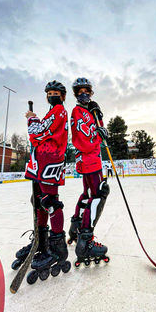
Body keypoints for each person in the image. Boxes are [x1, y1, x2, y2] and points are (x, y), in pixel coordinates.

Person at [12, 80, 71, 283]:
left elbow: (37, 133)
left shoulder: (59, 112)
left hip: (50, 160)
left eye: (56, 93)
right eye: (50, 93)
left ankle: (57, 248)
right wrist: (36, 121)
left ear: (63, 96)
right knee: (38, 201)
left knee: (50, 202)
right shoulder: (51, 113)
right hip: (40, 161)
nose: (52, 95)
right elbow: (37, 136)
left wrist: (31, 119)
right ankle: (41, 241)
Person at [68, 77, 110, 267]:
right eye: (80, 92)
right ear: (76, 94)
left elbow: (98, 130)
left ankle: (75, 226)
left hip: (93, 158)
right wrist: (97, 138)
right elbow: (82, 139)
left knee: (88, 194)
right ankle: (86, 240)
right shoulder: (77, 111)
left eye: (88, 91)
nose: (84, 94)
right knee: (99, 195)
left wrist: (101, 127)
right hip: (88, 158)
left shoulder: (91, 110)